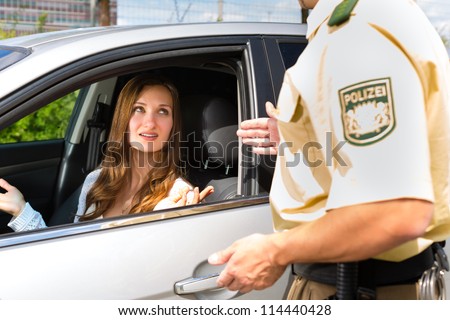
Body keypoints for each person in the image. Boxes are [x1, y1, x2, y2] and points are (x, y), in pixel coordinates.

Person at [208, 0, 450, 299]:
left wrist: (274, 251)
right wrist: (299, 137)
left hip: (357, 286)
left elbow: (395, 211)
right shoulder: (375, 17)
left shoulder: (357, 31)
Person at [0, 74, 214, 232]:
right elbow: (72, 257)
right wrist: (22, 211)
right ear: (123, 118)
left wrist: (162, 222)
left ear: (172, 125)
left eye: (163, 111)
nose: (150, 122)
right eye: (138, 109)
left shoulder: (181, 197)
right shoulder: (97, 181)